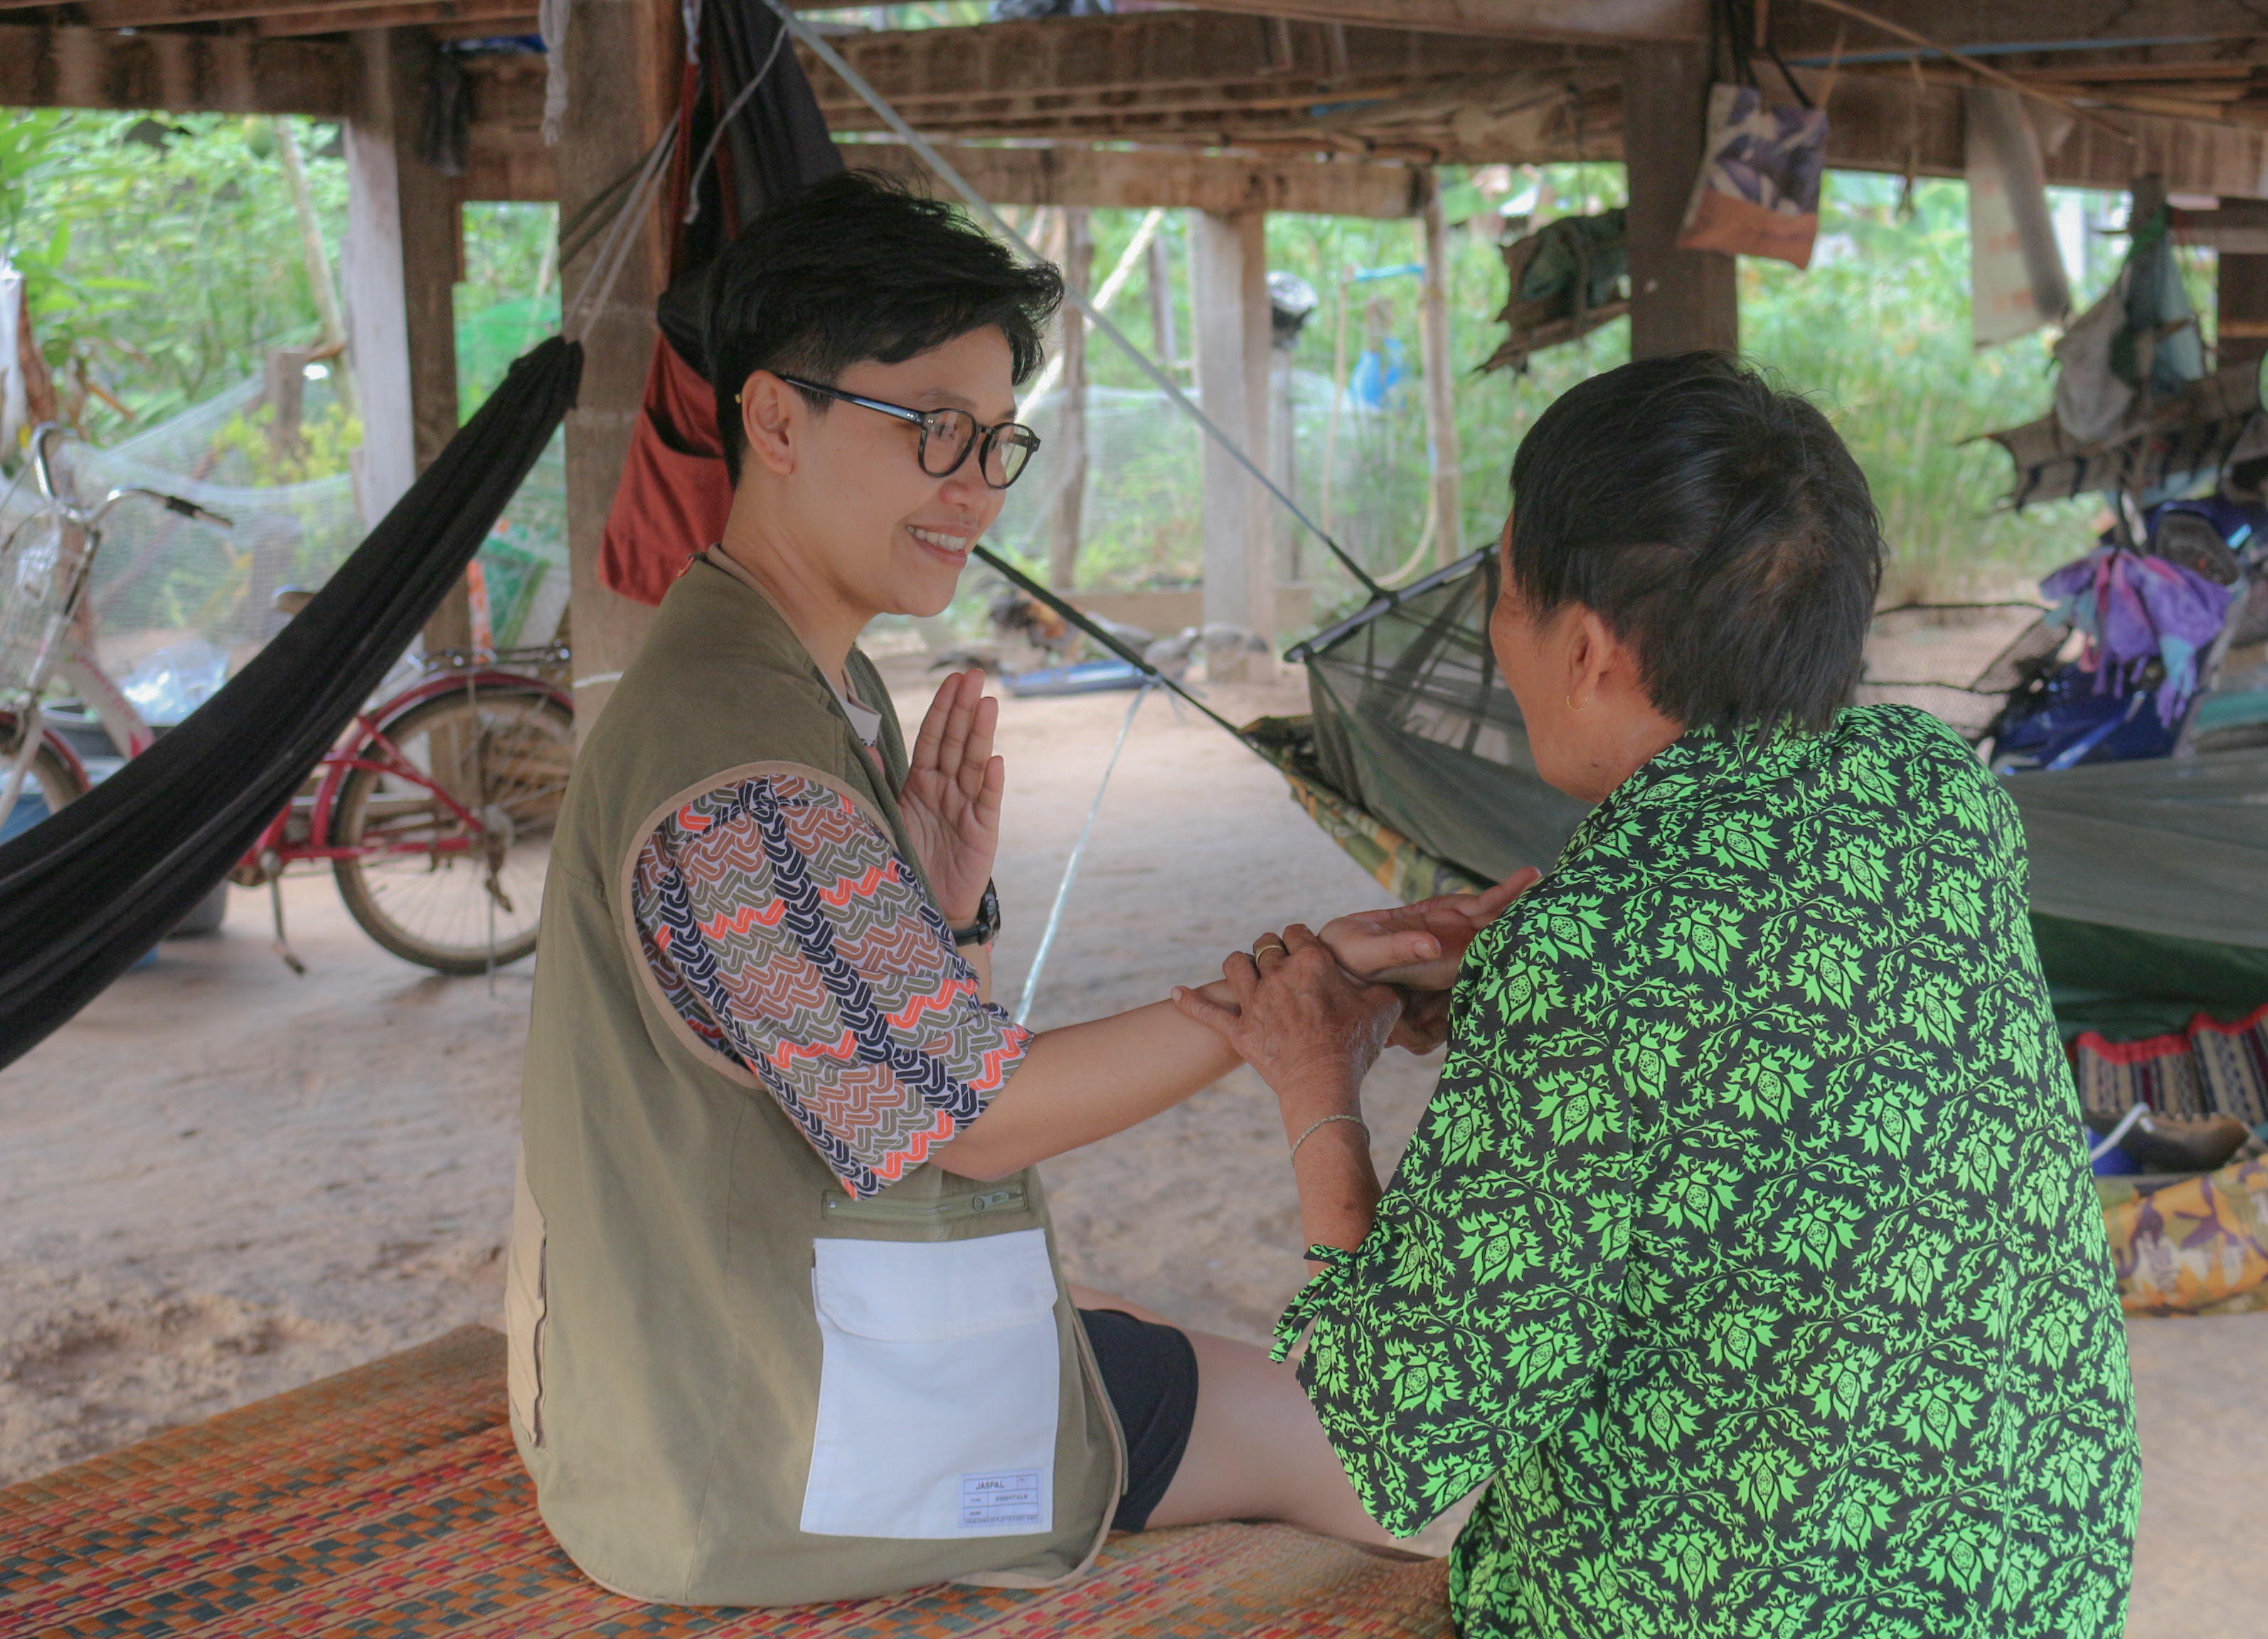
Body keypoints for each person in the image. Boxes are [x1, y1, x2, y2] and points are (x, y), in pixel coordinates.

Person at [509, 171, 1418, 1607]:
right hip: (764, 1454)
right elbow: (975, 1127)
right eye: (933, 429)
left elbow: (905, 1072)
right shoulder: (745, 772)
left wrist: (940, 916)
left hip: (714, 1383)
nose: (977, 487)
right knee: (1363, 1455)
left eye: (998, 442)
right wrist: (1273, 1010)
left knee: (1127, 1329)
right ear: (775, 421)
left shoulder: (789, 679)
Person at [1175, 354, 2142, 1638]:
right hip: (2044, 1580)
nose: (1498, 638)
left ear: (1587, 650)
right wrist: (1514, 991)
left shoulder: (1591, 952)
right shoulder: (1933, 788)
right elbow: (1777, 1028)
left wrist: (1317, 1086)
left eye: (1503, 598)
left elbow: (1386, 1429)